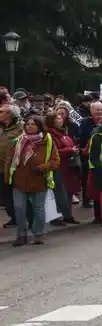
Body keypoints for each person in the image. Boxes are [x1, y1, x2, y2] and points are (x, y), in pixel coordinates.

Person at [8, 115, 60, 245]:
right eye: (27, 124)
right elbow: (10, 160)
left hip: (38, 180)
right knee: (19, 208)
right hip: (20, 181)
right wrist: (9, 177)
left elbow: (55, 161)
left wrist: (42, 167)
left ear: (39, 127)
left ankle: (38, 234)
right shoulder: (19, 140)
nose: (29, 126)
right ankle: (21, 235)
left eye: (33, 124)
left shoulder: (47, 141)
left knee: (39, 208)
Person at [45, 112, 80, 226]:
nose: (61, 120)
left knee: (69, 192)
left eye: (61, 118)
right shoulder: (50, 135)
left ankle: (67, 215)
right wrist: (70, 150)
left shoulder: (63, 133)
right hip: (58, 167)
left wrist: (75, 149)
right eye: (58, 118)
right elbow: (54, 151)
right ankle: (56, 216)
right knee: (59, 192)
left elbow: (71, 144)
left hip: (69, 167)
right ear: (52, 121)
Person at [0, 105, 20, 228]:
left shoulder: (21, 127)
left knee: (17, 195)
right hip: (1, 168)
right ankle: (14, 217)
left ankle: (21, 218)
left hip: (15, 168)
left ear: (10, 114)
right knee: (5, 195)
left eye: (2, 111)